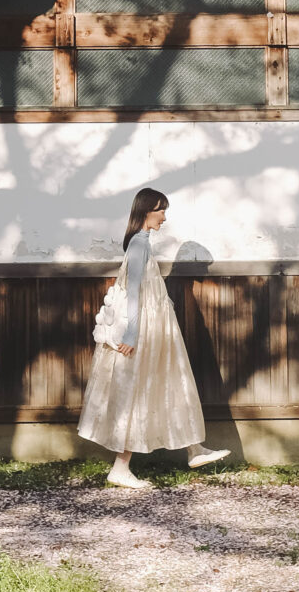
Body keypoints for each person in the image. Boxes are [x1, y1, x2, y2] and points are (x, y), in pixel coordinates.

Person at [78, 187, 230, 488]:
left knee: (170, 381)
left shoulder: (143, 243)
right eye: (161, 209)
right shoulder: (138, 244)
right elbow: (132, 291)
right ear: (147, 210)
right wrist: (132, 333)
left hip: (156, 327)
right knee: (137, 389)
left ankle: (194, 448)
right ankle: (121, 467)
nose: (164, 216)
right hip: (143, 329)